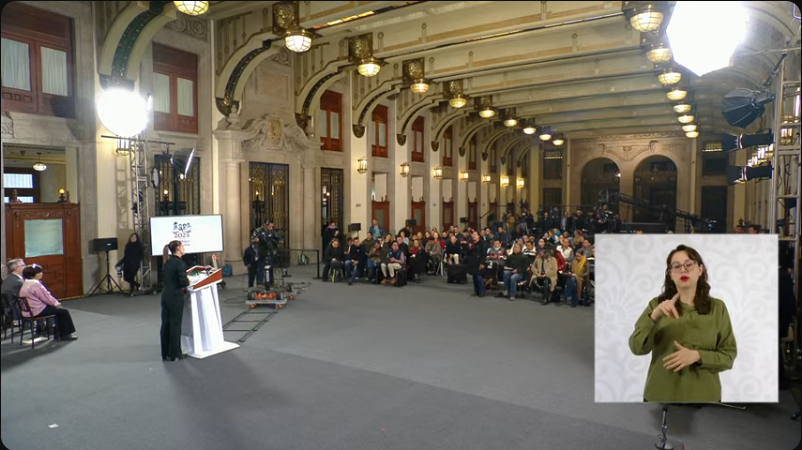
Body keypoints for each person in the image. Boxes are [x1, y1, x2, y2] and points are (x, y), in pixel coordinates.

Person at [629, 244, 737, 403]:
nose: (683, 270)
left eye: (689, 264)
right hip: (661, 394)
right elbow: (637, 348)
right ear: (670, 274)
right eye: (676, 266)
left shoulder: (718, 308)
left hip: (705, 397)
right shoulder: (657, 305)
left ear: (700, 270)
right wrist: (654, 316)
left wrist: (698, 356)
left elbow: (728, 356)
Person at [18, 264, 77, 340]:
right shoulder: (35, 284)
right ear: (34, 275)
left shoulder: (26, 283)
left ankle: (57, 332)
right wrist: (56, 304)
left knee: (57, 311)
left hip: (29, 311)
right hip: (37, 310)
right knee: (63, 312)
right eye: (39, 272)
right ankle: (65, 334)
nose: (42, 273)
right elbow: (46, 298)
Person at [161, 240, 189, 361]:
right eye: (182, 246)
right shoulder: (179, 263)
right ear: (178, 248)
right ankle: (175, 353)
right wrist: (188, 281)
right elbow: (183, 282)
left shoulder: (166, 262)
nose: (184, 248)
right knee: (175, 325)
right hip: (176, 297)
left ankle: (165, 352)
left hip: (166, 295)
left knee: (166, 324)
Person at [117, 233, 145, 297]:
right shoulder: (128, 245)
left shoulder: (139, 246)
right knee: (126, 278)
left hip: (134, 264)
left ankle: (131, 291)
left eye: (135, 237)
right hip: (127, 263)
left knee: (131, 277)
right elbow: (126, 256)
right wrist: (121, 262)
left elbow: (142, 256)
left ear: (137, 239)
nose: (133, 238)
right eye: (132, 237)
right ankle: (137, 285)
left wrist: (137, 260)